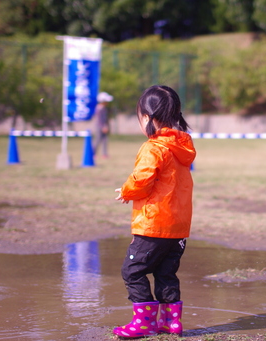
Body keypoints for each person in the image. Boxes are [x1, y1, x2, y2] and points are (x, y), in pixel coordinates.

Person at [113, 85, 196, 338]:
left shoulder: (153, 147)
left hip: (154, 225)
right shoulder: (182, 146)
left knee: (132, 270)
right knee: (165, 272)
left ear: (148, 118)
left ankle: (144, 323)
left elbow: (142, 179)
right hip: (178, 227)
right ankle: (171, 322)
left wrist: (127, 191)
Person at [93, 92, 113, 158]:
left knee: (105, 140)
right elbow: (100, 119)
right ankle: (93, 153)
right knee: (97, 139)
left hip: (104, 126)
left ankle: (104, 153)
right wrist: (103, 126)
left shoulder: (104, 108)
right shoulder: (99, 108)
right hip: (100, 126)